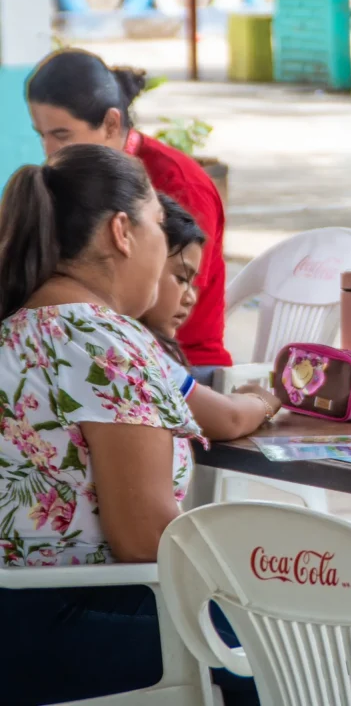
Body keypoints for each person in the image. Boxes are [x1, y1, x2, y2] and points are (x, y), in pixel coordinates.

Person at [0, 144, 258, 705]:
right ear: (122, 232)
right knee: (289, 642)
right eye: (159, 227)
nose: (164, 248)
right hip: (65, 621)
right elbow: (143, 536)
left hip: (24, 616)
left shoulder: (13, 330)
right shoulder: (104, 341)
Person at [25, 48, 231, 381]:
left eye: (62, 135)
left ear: (110, 124)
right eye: (42, 135)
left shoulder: (177, 184)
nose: (49, 150)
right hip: (98, 347)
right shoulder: (70, 181)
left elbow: (171, 299)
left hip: (181, 363)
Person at [142, 193, 281, 438]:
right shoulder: (135, 349)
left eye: (193, 284)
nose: (190, 297)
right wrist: (265, 402)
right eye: (181, 279)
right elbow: (230, 419)